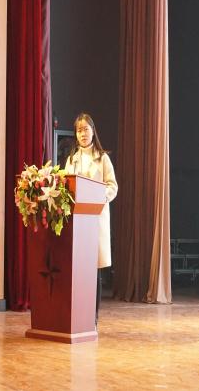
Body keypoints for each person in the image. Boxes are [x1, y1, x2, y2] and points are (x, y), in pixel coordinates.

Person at [64, 113, 118, 324]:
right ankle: (77, 315)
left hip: (95, 219)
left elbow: (112, 186)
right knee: (77, 270)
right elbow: (66, 186)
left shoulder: (102, 158)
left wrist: (98, 197)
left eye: (86, 129)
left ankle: (92, 317)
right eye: (79, 130)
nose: (83, 134)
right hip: (77, 222)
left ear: (93, 131)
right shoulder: (71, 159)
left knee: (93, 270)